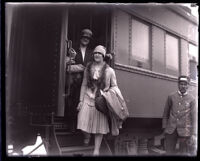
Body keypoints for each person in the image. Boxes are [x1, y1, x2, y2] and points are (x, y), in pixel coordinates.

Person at [76, 45, 118, 155]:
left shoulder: (110, 71)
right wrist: (80, 100)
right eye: (95, 53)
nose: (97, 55)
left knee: (99, 126)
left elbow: (114, 86)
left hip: (100, 101)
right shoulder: (88, 68)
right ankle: (87, 135)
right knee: (81, 121)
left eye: (99, 53)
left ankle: (96, 150)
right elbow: (84, 84)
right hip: (87, 97)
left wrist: (108, 94)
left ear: (103, 56)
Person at [65, 29, 93, 132]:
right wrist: (80, 67)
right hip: (74, 81)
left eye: (88, 38)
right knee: (72, 102)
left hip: (86, 82)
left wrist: (108, 56)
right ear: (81, 38)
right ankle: (71, 125)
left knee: (83, 104)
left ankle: (80, 126)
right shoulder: (72, 50)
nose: (85, 39)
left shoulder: (91, 52)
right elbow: (67, 64)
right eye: (84, 37)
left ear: (89, 40)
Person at [162, 75, 197, 155]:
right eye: (181, 84)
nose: (183, 86)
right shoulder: (171, 96)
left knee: (183, 153)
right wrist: (165, 128)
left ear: (188, 85)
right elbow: (165, 113)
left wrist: (193, 133)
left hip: (185, 132)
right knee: (169, 152)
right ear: (178, 84)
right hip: (171, 130)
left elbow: (194, 117)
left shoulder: (192, 99)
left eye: (185, 84)